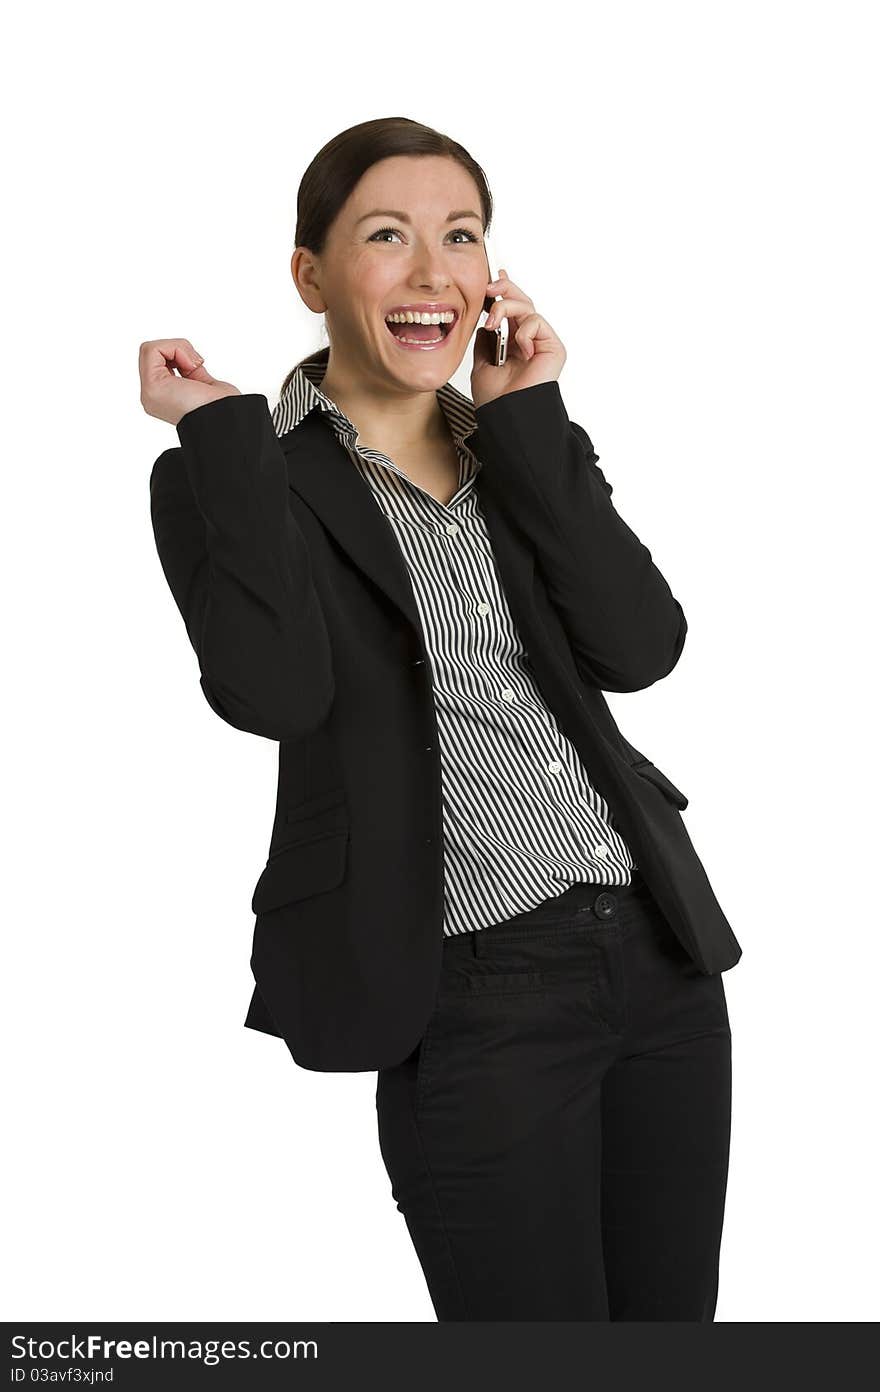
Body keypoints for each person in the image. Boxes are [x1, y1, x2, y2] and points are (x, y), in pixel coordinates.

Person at [141, 116, 741, 1322]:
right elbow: (275, 696)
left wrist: (532, 420)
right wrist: (221, 434)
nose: (432, 272)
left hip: (659, 956)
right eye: (386, 236)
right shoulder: (234, 476)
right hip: (472, 994)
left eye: (459, 237)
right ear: (310, 275)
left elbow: (642, 648)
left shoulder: (518, 446)